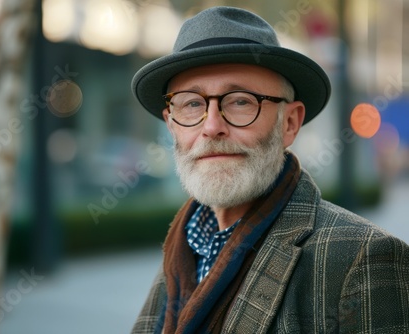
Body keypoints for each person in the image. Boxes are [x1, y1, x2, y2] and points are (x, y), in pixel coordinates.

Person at [130, 6, 409, 333]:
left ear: (289, 123)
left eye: (240, 101)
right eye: (192, 104)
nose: (212, 127)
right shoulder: (183, 250)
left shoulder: (364, 259)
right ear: (171, 124)